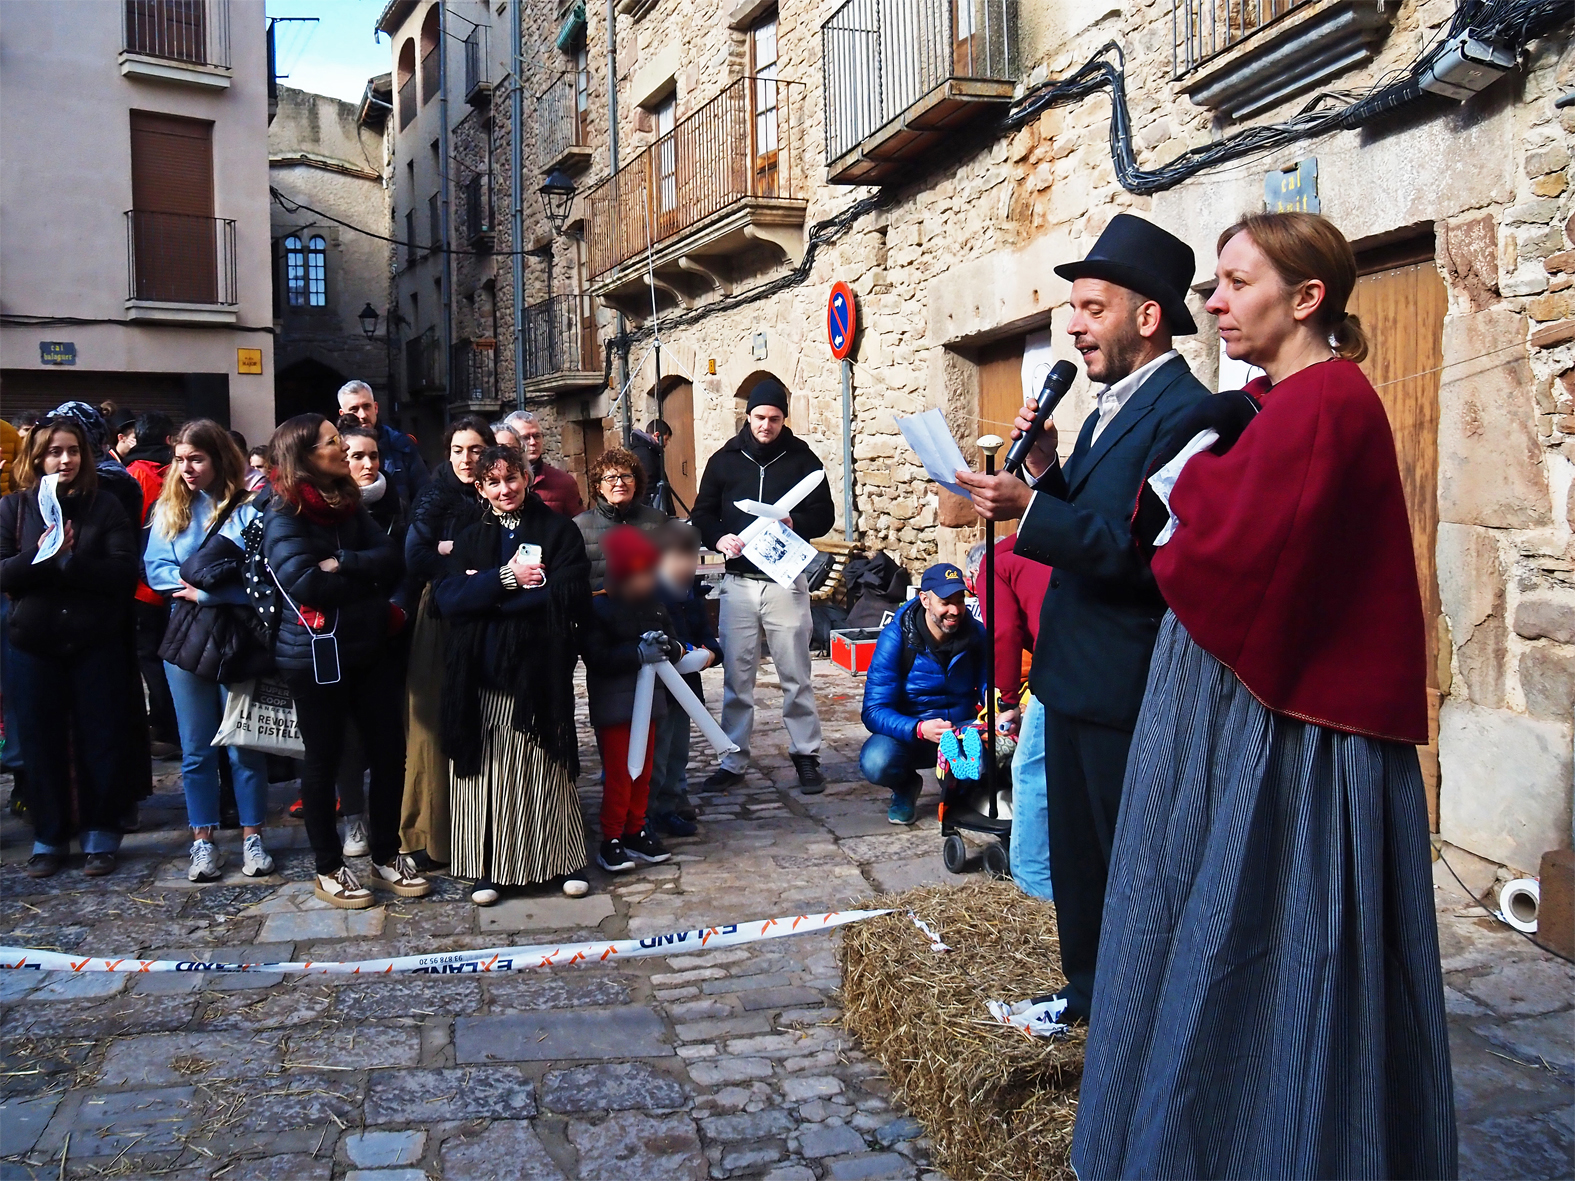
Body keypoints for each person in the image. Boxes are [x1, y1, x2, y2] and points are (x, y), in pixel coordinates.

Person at [1071, 212, 1456, 1180]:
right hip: (1247, 704)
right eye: (1217, 283)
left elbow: (1232, 554)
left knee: (1270, 933)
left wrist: (1188, 489)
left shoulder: (1325, 400)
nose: (1214, 300)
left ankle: (1267, 1134)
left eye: (1237, 283)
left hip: (1287, 729)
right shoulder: (1287, 399)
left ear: (1306, 296)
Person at [955, 214, 1210, 1021]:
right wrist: (1048, 472)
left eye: (1091, 308)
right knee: (1076, 856)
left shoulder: (1186, 414)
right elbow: (1095, 518)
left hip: (1120, 683)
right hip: (1069, 675)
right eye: (1073, 308)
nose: (1072, 325)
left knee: (1121, 859)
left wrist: (1031, 508)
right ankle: (1086, 997)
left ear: (1147, 315)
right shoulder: (1107, 404)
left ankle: (1126, 1008)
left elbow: (1144, 555)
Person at [262, 414, 430, 908]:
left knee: (388, 753)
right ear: (307, 456)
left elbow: (390, 557)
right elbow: (307, 583)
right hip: (315, 654)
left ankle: (385, 854)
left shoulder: (348, 503)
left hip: (368, 646)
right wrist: (364, 586)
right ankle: (329, 866)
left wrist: (348, 565)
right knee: (325, 760)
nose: (343, 448)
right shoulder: (283, 512)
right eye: (332, 443)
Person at [436, 445, 593, 904]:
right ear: (481, 488)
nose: (505, 489)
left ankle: (563, 860)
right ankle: (488, 868)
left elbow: (567, 592)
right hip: (481, 672)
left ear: (526, 477)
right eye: (493, 482)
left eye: (512, 478)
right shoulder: (468, 533)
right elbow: (448, 599)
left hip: (538, 669)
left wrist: (483, 592)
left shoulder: (558, 531)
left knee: (544, 767)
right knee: (486, 772)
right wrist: (506, 580)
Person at [0, 416, 139, 876]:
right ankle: (50, 835)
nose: (64, 460)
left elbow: (122, 574)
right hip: (33, 643)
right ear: (37, 457)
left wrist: (71, 563)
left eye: (73, 451)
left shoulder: (105, 507)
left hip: (92, 641)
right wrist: (40, 558)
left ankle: (101, 833)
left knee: (99, 736)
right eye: (55, 451)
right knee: (40, 741)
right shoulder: (13, 508)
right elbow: (4, 573)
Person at [143, 420, 275, 881]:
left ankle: (253, 836)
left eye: (195, 459)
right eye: (180, 459)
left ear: (218, 459)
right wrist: (200, 584)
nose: (186, 469)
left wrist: (210, 592)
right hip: (186, 637)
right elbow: (157, 569)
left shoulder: (247, 512)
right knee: (196, 747)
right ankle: (203, 840)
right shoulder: (169, 511)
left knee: (243, 744)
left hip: (234, 636)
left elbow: (258, 579)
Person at [690, 378, 835, 793]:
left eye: (773, 418)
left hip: (784, 582)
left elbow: (823, 514)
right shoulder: (724, 461)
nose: (766, 425)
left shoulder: (803, 460)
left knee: (796, 674)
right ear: (747, 416)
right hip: (738, 582)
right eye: (759, 417)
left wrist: (796, 523)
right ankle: (733, 759)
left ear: (783, 418)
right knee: (737, 677)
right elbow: (702, 513)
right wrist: (718, 538)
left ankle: (806, 753)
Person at [399, 417, 495, 866]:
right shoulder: (435, 494)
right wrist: (459, 556)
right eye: (458, 450)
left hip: (490, 611)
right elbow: (416, 555)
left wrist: (451, 547)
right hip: (441, 612)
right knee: (435, 720)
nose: (465, 459)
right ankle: (433, 834)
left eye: (474, 449)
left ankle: (485, 829)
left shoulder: (498, 488)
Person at [333, 421, 412, 857]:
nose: (366, 464)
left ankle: (390, 818)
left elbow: (404, 562)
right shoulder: (331, 509)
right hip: (345, 632)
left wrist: (397, 607)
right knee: (347, 737)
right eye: (355, 456)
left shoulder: (396, 500)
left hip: (388, 630)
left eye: (372, 455)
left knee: (388, 735)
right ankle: (353, 819)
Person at [581, 525, 679, 874]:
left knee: (644, 771)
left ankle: (636, 829)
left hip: (649, 702)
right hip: (616, 706)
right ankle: (611, 838)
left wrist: (670, 647)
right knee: (621, 774)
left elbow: (673, 641)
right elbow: (597, 657)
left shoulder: (654, 606)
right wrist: (636, 652)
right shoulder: (599, 608)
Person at [859, 563, 989, 824]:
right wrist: (919, 729)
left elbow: (988, 685)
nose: (955, 610)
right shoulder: (896, 637)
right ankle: (906, 786)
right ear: (925, 600)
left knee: (1003, 751)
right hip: (914, 734)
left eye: (960, 601)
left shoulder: (976, 633)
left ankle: (964, 788)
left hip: (962, 730)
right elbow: (873, 710)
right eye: (946, 602)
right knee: (876, 761)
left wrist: (993, 716)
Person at [971, 534, 1052, 898]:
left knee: (1030, 769)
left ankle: (1035, 884)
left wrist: (1005, 703)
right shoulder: (1044, 540)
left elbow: (1003, 632)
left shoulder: (993, 567)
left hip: (1061, 662)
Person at [648, 522, 722, 837]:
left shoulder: (690, 592)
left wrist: (713, 653)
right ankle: (649, 812)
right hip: (660, 690)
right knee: (659, 752)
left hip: (687, 688)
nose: (686, 567)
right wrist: (683, 652)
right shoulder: (651, 593)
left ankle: (670, 805)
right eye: (678, 560)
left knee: (679, 750)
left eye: (690, 560)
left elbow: (705, 631)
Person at [123, 411, 182, 759]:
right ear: (167, 439)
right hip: (175, 582)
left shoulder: (135, 475)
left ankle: (165, 725)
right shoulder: (176, 471)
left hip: (143, 586)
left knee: (150, 658)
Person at [573, 448, 669, 588]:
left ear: (636, 483)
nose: (619, 483)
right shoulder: (580, 527)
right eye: (611, 478)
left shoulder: (658, 521)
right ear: (598, 486)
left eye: (626, 476)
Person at [336, 379, 430, 505]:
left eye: (366, 406)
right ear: (342, 414)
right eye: (354, 409)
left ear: (375, 408)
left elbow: (425, 495)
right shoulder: (334, 450)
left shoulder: (401, 445)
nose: (363, 415)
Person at [505, 411, 584, 517]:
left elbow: (578, 525)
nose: (533, 442)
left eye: (537, 436)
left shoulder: (563, 482)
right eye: (525, 438)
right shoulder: (497, 485)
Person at [628, 419, 671, 511]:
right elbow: (647, 485)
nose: (666, 443)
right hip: (650, 508)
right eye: (666, 439)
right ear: (657, 435)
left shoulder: (649, 451)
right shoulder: (645, 453)